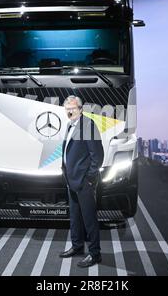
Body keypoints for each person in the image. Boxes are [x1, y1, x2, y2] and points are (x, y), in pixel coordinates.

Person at [59, 95, 104, 268]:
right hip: (71, 180)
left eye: (73, 108)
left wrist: (90, 178)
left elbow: (97, 156)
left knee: (89, 219)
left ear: (80, 109)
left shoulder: (88, 125)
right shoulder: (70, 125)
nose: (70, 111)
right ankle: (77, 246)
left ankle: (95, 254)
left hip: (84, 182)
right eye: (67, 109)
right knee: (75, 217)